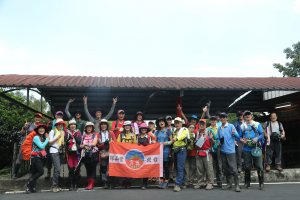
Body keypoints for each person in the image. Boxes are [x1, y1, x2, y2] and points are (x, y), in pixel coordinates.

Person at [13, 113, 43, 179]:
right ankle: (15, 173)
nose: (37, 118)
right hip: (25, 144)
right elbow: (22, 133)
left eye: (39, 117)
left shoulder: (41, 126)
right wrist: (24, 128)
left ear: (41, 119)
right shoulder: (29, 124)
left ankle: (32, 175)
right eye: (36, 117)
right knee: (19, 159)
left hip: (34, 146)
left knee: (33, 160)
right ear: (34, 118)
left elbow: (41, 137)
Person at [240, 111, 264, 190]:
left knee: (259, 166)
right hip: (246, 148)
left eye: (249, 114)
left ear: (252, 116)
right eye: (246, 115)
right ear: (244, 117)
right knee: (247, 166)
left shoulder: (257, 124)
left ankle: (261, 183)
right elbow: (239, 137)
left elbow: (262, 134)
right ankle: (247, 183)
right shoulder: (242, 126)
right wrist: (242, 140)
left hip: (256, 147)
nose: (247, 116)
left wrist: (257, 138)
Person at [217, 112, 241, 192]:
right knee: (226, 169)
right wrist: (218, 141)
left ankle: (237, 185)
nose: (222, 118)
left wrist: (235, 134)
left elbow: (237, 136)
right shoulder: (219, 128)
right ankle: (229, 184)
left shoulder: (231, 126)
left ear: (227, 118)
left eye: (224, 117)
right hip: (223, 151)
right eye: (221, 117)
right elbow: (218, 138)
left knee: (234, 169)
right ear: (220, 119)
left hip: (231, 151)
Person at [24, 124, 49, 193]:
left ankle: (31, 188)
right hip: (35, 157)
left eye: (43, 129)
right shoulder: (36, 137)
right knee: (41, 172)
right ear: (37, 130)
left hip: (39, 157)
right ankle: (29, 182)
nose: (41, 130)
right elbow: (41, 146)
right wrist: (47, 139)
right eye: (40, 128)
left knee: (34, 172)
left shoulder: (42, 138)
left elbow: (42, 148)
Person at [194, 119, 214, 190]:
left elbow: (213, 143)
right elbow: (196, 144)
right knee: (199, 169)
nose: (201, 125)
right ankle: (200, 182)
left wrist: (211, 139)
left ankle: (210, 183)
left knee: (209, 169)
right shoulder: (197, 133)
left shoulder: (209, 132)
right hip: (199, 152)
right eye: (200, 124)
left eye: (203, 124)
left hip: (207, 153)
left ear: (205, 125)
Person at [117, 121, 137, 189]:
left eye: (128, 125)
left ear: (130, 127)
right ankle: (123, 182)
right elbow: (118, 144)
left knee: (129, 169)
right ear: (124, 127)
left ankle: (128, 182)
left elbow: (135, 145)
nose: (127, 127)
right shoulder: (120, 135)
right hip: (122, 154)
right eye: (126, 126)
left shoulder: (133, 135)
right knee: (123, 168)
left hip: (130, 155)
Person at [137, 123, 157, 190]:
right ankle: (141, 183)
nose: (143, 129)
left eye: (145, 128)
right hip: (139, 155)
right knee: (140, 169)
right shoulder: (138, 136)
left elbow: (152, 145)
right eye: (142, 128)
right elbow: (136, 145)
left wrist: (147, 145)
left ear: (146, 129)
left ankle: (145, 183)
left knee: (145, 169)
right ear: (141, 129)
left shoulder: (149, 136)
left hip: (147, 155)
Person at [97, 119, 116, 189]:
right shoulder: (98, 134)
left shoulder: (111, 133)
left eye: (105, 124)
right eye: (102, 124)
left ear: (107, 125)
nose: (103, 125)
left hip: (111, 151)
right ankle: (104, 182)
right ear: (100, 126)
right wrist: (103, 144)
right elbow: (97, 145)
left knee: (112, 167)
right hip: (103, 152)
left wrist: (110, 143)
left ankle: (111, 182)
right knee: (103, 168)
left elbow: (115, 142)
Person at [80, 122, 99, 190]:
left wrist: (85, 146)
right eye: (87, 127)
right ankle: (89, 183)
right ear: (85, 128)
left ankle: (91, 184)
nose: (89, 128)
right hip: (85, 155)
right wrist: (85, 146)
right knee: (88, 169)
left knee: (93, 169)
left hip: (93, 154)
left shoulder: (95, 135)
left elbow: (94, 144)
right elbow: (80, 145)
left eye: (90, 127)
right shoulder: (83, 136)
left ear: (92, 128)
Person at [48, 118, 66, 192]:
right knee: (58, 169)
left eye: (61, 124)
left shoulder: (62, 132)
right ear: (56, 125)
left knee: (57, 169)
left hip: (60, 151)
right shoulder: (52, 131)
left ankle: (56, 185)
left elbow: (62, 141)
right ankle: (54, 185)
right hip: (53, 151)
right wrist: (57, 138)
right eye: (59, 124)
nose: (60, 125)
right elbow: (50, 143)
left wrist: (62, 142)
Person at [155, 117, 172, 189]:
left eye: (162, 121)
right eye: (159, 122)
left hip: (166, 151)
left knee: (166, 167)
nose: (161, 123)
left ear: (165, 123)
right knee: (160, 167)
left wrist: (164, 143)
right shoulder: (157, 132)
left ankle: (166, 181)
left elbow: (172, 141)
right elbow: (155, 141)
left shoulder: (168, 131)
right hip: (158, 151)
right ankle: (161, 181)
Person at [172, 117, 188, 192]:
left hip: (182, 150)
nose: (177, 124)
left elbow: (183, 136)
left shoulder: (184, 129)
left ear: (181, 123)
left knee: (180, 167)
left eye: (178, 122)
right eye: (175, 122)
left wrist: (176, 138)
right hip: (175, 150)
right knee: (179, 167)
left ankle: (178, 185)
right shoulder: (174, 131)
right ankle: (184, 183)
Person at [65, 119, 82, 191]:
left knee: (76, 169)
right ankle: (71, 185)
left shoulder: (78, 132)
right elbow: (65, 141)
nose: (72, 126)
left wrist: (73, 136)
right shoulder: (66, 132)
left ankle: (76, 184)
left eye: (74, 124)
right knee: (71, 170)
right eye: (71, 124)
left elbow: (79, 141)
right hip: (69, 154)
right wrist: (67, 140)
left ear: (75, 126)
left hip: (77, 154)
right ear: (69, 126)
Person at [207, 116, 223, 188]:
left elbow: (220, 138)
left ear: (216, 121)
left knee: (219, 165)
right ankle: (211, 181)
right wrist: (210, 139)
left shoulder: (219, 128)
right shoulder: (207, 129)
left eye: (214, 120)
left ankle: (220, 182)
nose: (213, 121)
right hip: (210, 149)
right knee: (211, 166)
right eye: (212, 120)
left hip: (218, 149)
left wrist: (215, 141)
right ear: (210, 121)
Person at [184, 123, 197, 188]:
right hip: (186, 153)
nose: (192, 128)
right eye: (190, 127)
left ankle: (191, 181)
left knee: (193, 167)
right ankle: (186, 181)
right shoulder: (185, 134)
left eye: (193, 127)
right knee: (186, 168)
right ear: (188, 128)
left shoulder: (195, 135)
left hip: (193, 153)